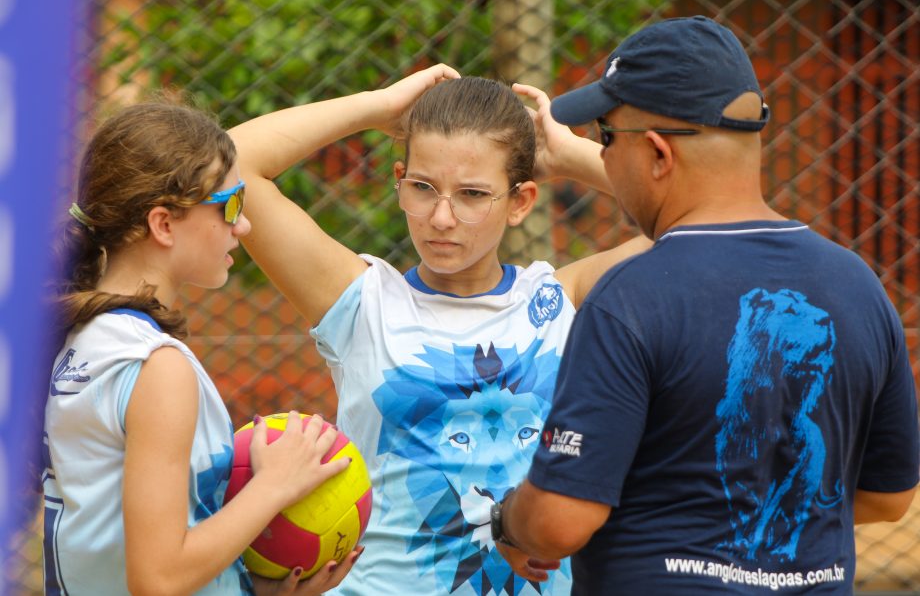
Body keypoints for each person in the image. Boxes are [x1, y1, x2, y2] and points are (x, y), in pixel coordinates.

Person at [490, 15, 920, 594]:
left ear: (660, 154)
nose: (602, 154)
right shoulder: (857, 287)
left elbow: (558, 522)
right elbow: (888, 495)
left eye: (606, 138)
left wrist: (509, 519)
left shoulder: (634, 297)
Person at [228, 66, 650, 596]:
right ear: (399, 178)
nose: (442, 217)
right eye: (423, 187)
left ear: (520, 202)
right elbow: (229, 166)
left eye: (473, 194)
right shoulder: (363, 303)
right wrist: (374, 106)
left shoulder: (562, 300)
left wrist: (568, 156)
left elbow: (699, 229)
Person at [43, 101, 362, 595]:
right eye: (231, 205)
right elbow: (159, 578)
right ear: (164, 224)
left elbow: (112, 546)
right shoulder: (155, 367)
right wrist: (274, 486)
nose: (244, 226)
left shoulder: (81, 337)